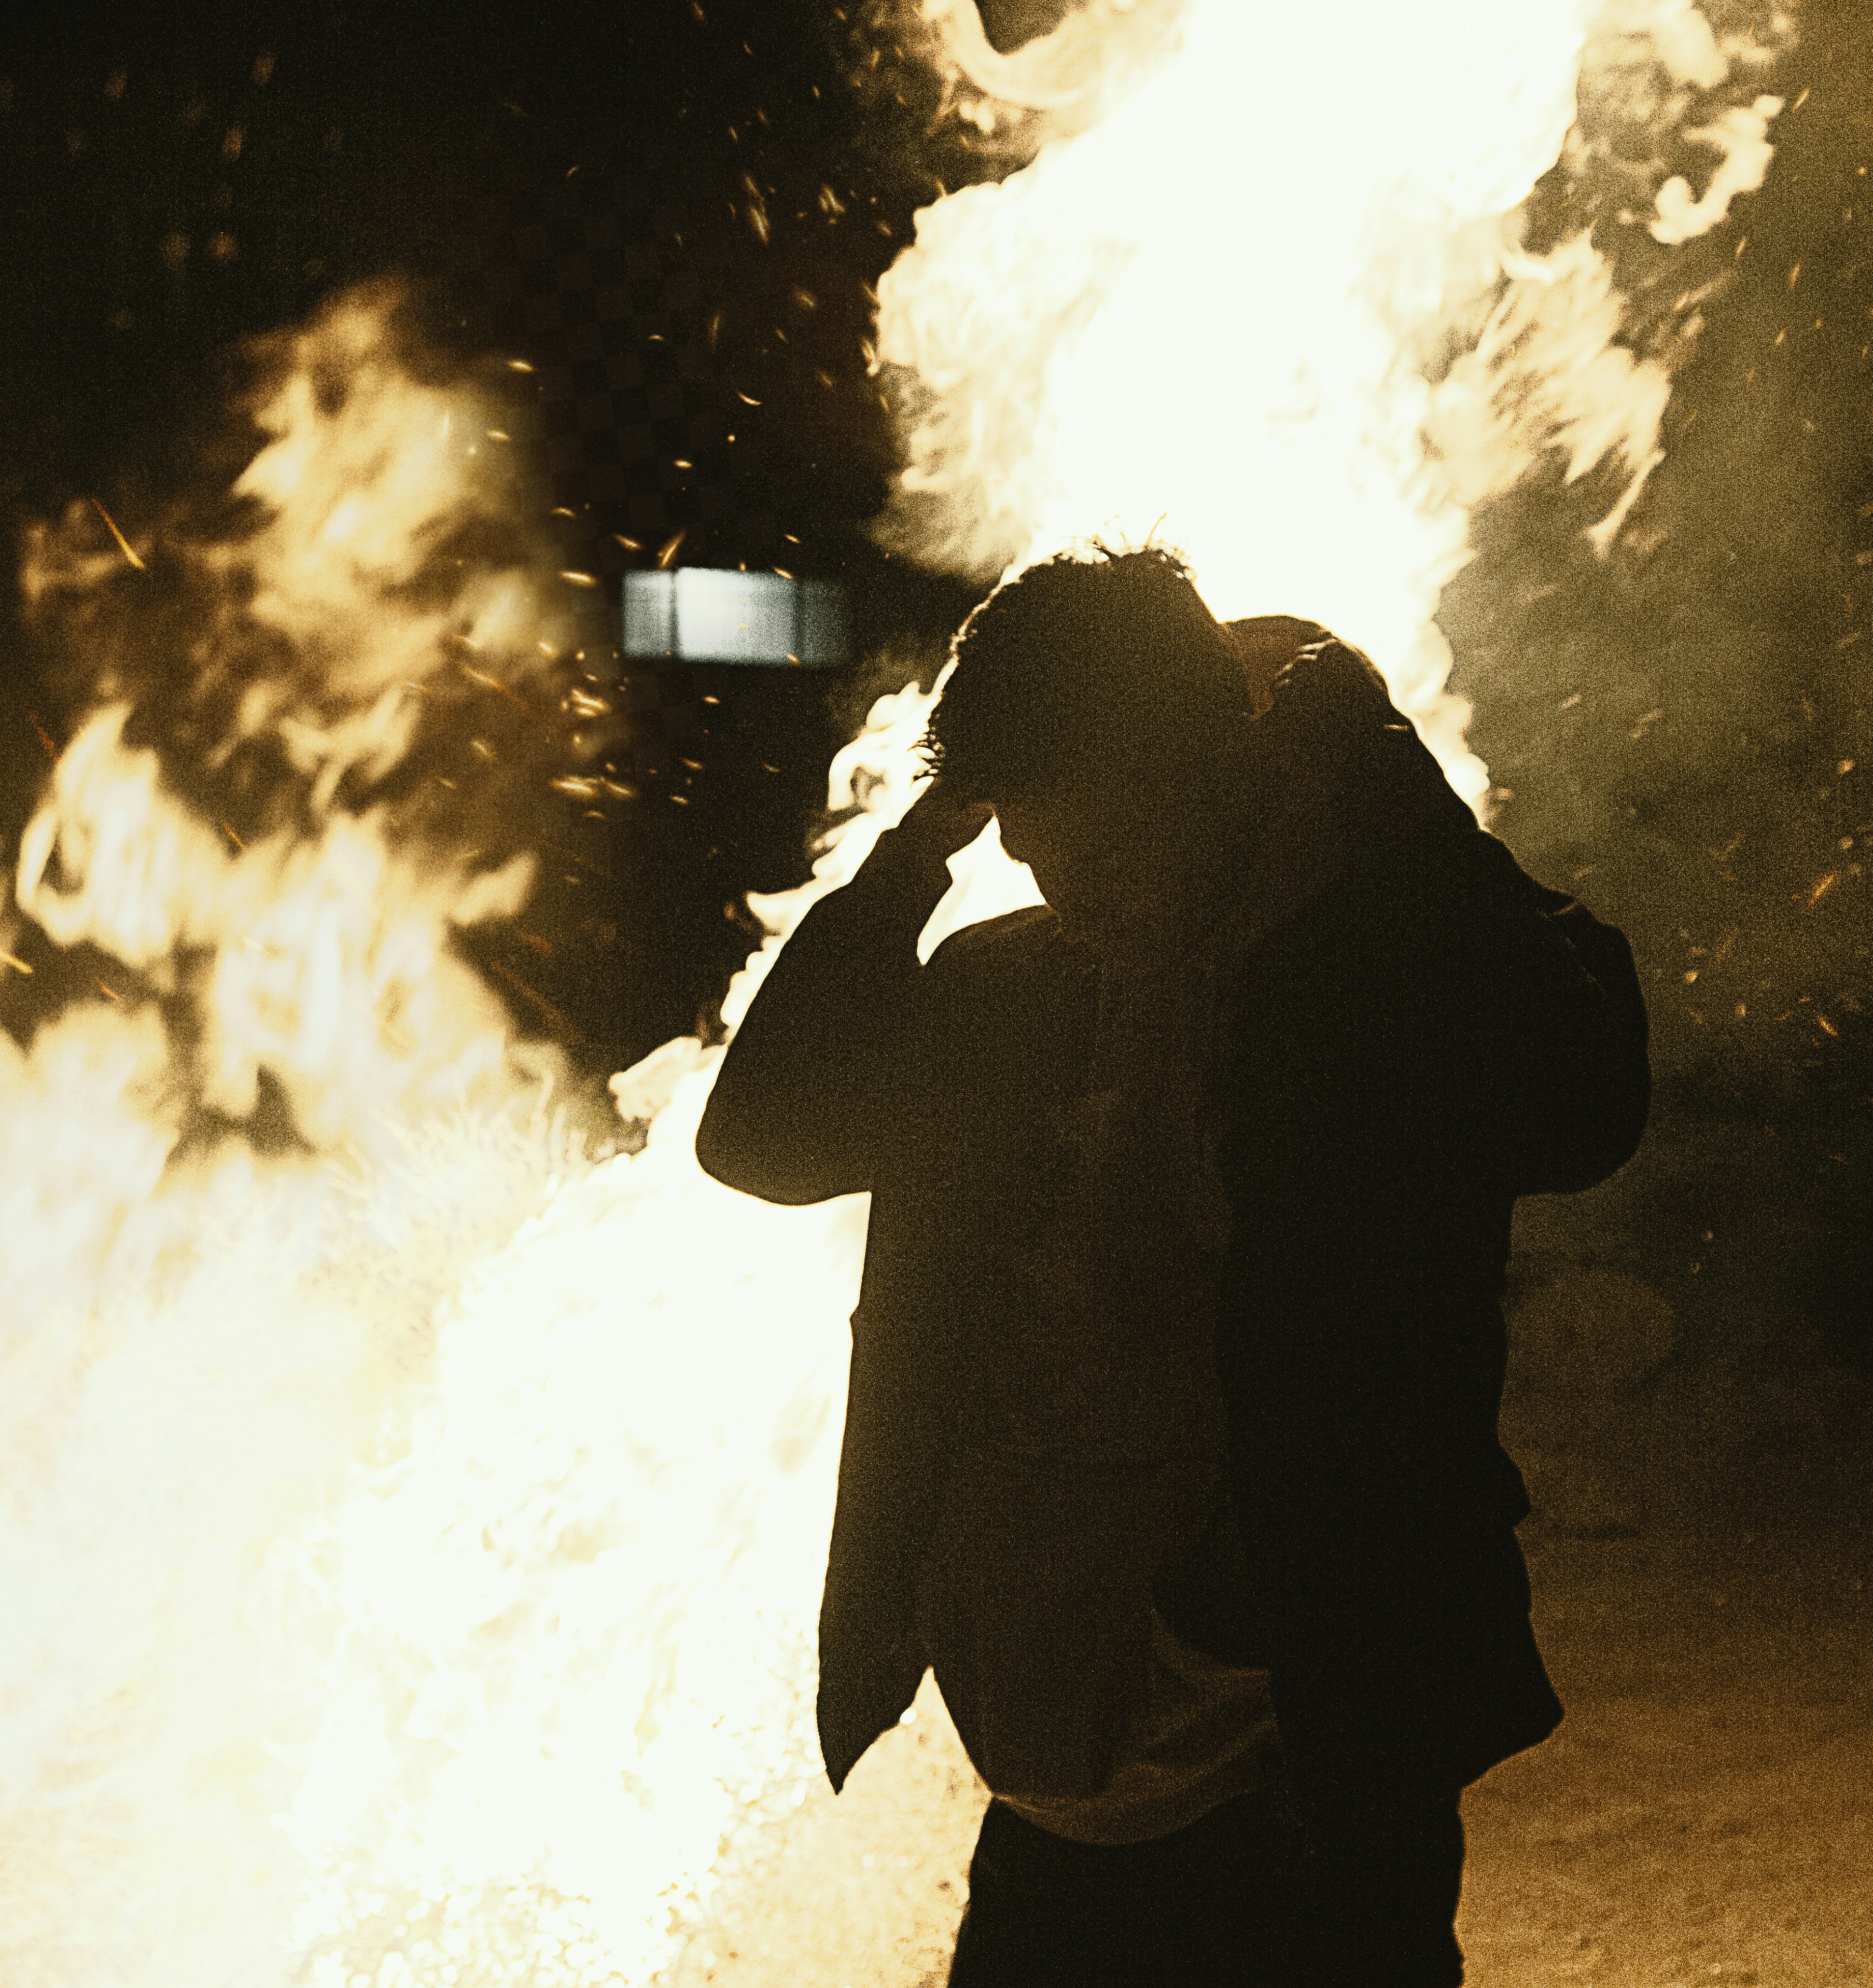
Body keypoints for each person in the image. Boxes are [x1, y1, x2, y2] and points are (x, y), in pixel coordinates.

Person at [697, 544, 1648, 1984]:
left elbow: (1585, 1098)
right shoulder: (1007, 991)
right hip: (1062, 1758)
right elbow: (759, 1141)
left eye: (1106, 838)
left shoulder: (1362, 991)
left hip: (1303, 1749)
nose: (1066, 882)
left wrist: (1387, 784)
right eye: (1025, 837)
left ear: (1211, 769)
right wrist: (916, 848)